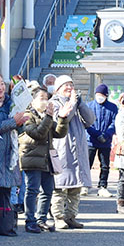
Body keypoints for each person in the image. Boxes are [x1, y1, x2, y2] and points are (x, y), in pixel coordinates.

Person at [0, 71, 27, 232]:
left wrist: (21, 122)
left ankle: (5, 224)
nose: (0, 87)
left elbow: (18, 128)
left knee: (6, 190)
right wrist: (13, 122)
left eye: (2, 83)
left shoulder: (10, 102)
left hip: (9, 153)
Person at [19, 86, 68, 233]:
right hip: (31, 158)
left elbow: (59, 133)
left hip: (46, 159)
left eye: (46, 98)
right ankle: (30, 220)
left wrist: (62, 118)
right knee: (32, 190)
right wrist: (48, 117)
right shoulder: (27, 116)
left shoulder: (45, 116)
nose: (45, 101)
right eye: (41, 98)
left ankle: (41, 220)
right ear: (32, 100)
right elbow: (38, 134)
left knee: (48, 190)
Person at [50, 75, 95, 229]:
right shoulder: (54, 103)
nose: (69, 88)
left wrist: (81, 104)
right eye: (65, 85)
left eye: (71, 84)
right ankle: (58, 216)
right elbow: (62, 120)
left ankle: (71, 216)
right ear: (57, 89)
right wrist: (72, 103)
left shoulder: (77, 103)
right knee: (60, 187)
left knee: (75, 187)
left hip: (78, 149)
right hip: (62, 148)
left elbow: (90, 120)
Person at [84, 84, 117, 198]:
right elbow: (87, 123)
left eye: (102, 95)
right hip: (91, 141)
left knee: (105, 165)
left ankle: (102, 186)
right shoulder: (89, 106)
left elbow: (114, 123)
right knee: (87, 163)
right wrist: (97, 134)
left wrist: (107, 135)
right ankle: (85, 185)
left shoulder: (113, 107)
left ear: (106, 95)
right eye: (98, 95)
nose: (100, 97)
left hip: (105, 142)